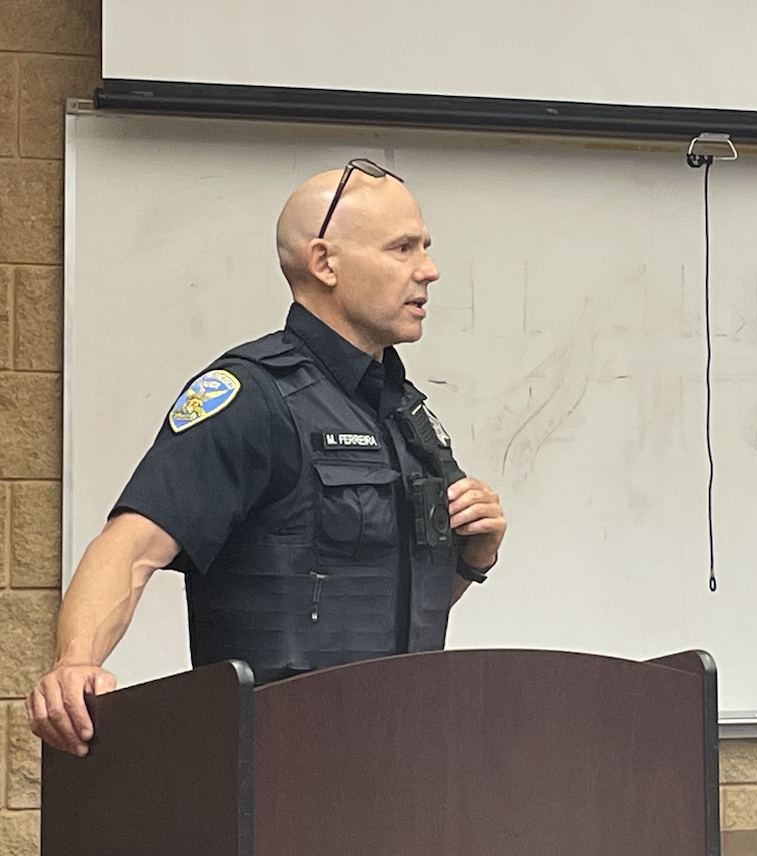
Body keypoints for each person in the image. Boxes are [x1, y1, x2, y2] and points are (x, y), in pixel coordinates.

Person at [27, 159, 506, 757]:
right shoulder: (251, 398)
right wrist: (76, 662)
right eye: (402, 248)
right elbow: (129, 550)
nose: (429, 271)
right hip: (277, 762)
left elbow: (379, 605)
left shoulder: (406, 414)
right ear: (325, 263)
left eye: (425, 248)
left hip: (400, 757)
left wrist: (471, 558)